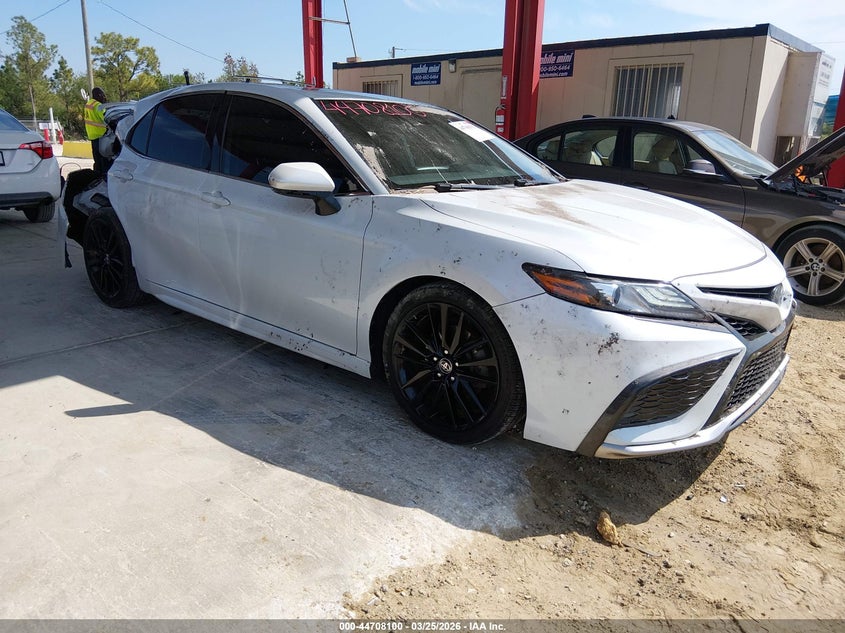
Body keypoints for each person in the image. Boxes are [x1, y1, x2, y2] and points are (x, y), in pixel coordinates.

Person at [84, 87, 108, 175]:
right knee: (104, 159)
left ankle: (97, 175)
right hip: (101, 135)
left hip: (92, 135)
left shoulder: (88, 104)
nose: (104, 97)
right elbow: (106, 118)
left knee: (97, 159)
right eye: (103, 95)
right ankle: (103, 176)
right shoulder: (98, 105)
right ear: (99, 95)